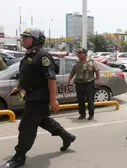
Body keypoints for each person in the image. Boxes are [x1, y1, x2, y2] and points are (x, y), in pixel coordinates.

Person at [1, 28, 76, 168]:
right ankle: (66, 136)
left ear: (36, 40)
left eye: (26, 37)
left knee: (26, 127)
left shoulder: (43, 55)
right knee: (43, 120)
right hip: (30, 95)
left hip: (38, 98)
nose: (22, 39)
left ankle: (19, 156)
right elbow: (29, 75)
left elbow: (51, 78)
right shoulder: (29, 55)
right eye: (22, 37)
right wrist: (19, 87)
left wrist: (53, 100)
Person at [67, 48, 100, 120]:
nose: (78, 55)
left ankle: (91, 115)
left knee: (90, 100)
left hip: (89, 84)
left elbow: (97, 71)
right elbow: (72, 73)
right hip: (79, 84)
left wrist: (98, 80)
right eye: (78, 53)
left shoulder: (92, 61)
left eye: (80, 53)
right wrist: (68, 81)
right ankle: (82, 114)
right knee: (80, 100)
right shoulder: (76, 62)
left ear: (84, 54)